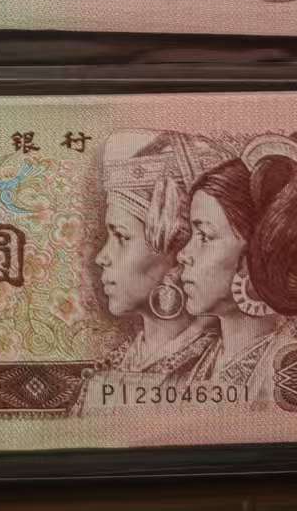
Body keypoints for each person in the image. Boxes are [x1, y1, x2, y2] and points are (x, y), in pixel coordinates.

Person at [177, 137, 297, 400]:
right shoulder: (191, 365)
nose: (182, 255)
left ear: (254, 256)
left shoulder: (296, 375)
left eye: (205, 236)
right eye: (192, 235)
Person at [78, 129, 230, 411]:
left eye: (121, 236)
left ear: (178, 253)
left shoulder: (221, 368)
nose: (101, 257)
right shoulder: (116, 365)